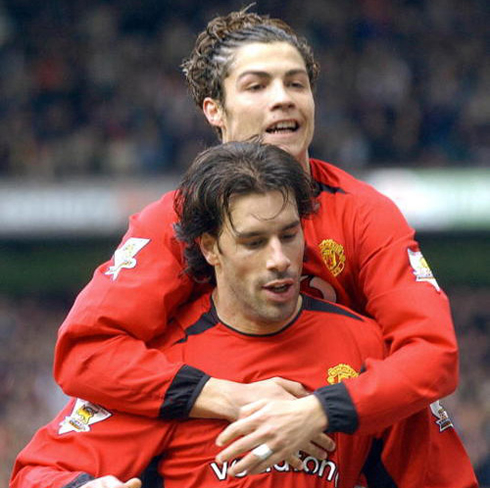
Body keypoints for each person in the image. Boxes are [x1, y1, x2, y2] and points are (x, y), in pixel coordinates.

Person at [53, 6, 462, 476]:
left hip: (343, 441)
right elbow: (85, 355)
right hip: (205, 440)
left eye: (295, 83)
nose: (283, 98)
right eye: (257, 85)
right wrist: (229, 397)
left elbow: (433, 356)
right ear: (214, 110)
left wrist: (314, 411)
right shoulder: (171, 222)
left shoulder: (365, 214)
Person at [11, 142, 477, 488]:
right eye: (254, 242)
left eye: (290, 235)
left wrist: (321, 411)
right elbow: (34, 474)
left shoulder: (368, 354)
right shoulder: (159, 368)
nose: (280, 259)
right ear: (211, 248)